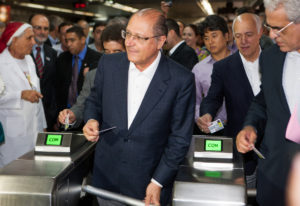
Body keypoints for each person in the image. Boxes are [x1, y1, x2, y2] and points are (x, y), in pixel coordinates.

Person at [83, 8, 195, 206]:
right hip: (106, 179)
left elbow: (179, 139)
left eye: (140, 37)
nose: (129, 42)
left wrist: (158, 181)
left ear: (160, 41)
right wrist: (91, 119)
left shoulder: (180, 80)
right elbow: (94, 101)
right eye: (128, 34)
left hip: (148, 185)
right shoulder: (109, 64)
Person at [236, 0, 300, 205]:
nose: (272, 35)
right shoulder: (271, 58)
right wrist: (250, 126)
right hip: (274, 174)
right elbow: (264, 100)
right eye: (270, 27)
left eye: (279, 28)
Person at [198, 13, 263, 188]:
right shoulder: (224, 67)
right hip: (242, 145)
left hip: (275, 147)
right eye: (238, 36)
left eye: (248, 35)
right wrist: (207, 114)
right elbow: (213, 97)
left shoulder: (274, 61)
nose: (243, 41)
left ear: (260, 33)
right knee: (245, 192)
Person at [58, 24, 126, 128]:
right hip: (101, 137)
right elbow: (82, 104)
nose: (111, 57)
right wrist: (72, 114)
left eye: (117, 52)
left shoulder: (138, 76)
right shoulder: (93, 75)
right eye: (107, 52)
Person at [0, 22, 46, 168]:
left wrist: (43, 125)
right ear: (14, 40)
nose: (34, 42)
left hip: (34, 130)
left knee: (32, 174)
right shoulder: (1, 63)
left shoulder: (29, 60)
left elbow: (37, 95)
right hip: (12, 136)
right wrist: (20, 95)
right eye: (29, 38)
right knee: (12, 175)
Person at [192, 15, 231, 134]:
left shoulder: (240, 63)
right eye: (206, 38)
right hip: (213, 128)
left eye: (214, 36)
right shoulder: (199, 69)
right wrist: (201, 120)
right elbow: (195, 101)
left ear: (226, 36)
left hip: (240, 126)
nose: (210, 42)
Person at [56, 26, 102, 114]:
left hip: (87, 112)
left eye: (72, 40)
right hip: (65, 112)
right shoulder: (62, 58)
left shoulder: (97, 59)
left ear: (83, 39)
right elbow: (57, 88)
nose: (68, 44)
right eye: (67, 41)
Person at [30, 14, 58, 131]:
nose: (42, 32)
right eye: (38, 27)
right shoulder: (22, 53)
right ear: (29, 28)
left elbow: (54, 85)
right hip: (29, 112)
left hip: (48, 114)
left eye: (45, 29)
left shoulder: (52, 53)